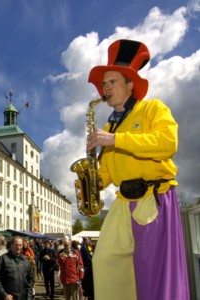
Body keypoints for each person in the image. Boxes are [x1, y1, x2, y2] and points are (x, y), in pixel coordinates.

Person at [87, 39, 189, 300]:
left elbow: (168, 144)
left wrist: (116, 140)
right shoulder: (109, 127)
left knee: (151, 273)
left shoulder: (152, 108)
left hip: (153, 197)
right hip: (123, 200)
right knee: (104, 261)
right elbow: (108, 172)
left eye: (112, 82)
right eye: (104, 84)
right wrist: (92, 182)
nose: (105, 88)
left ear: (130, 84)